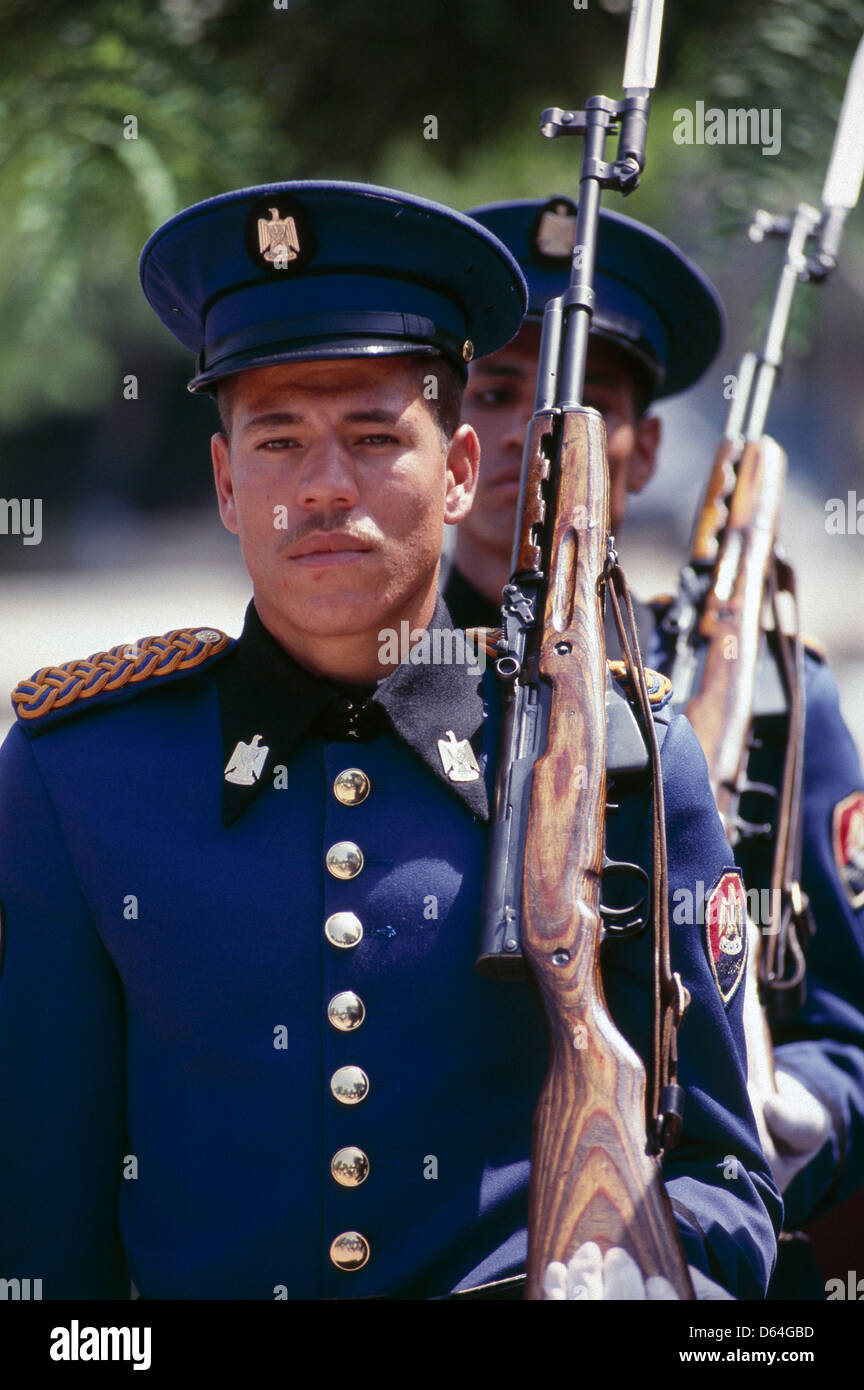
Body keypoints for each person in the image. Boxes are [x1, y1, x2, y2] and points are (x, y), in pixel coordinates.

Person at [0, 180, 780, 1301]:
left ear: (461, 471)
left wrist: (662, 1280)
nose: (323, 487)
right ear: (226, 482)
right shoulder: (79, 777)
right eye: (278, 440)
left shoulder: (611, 755)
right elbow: (40, 1237)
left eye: (375, 436)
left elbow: (726, 1176)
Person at [450, 196, 864, 1271]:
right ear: (445, 436)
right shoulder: (370, 688)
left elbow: (852, 1033)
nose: (520, 437)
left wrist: (792, 1109)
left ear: (636, 451)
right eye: (493, 393)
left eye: (573, 406)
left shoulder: (772, 702)